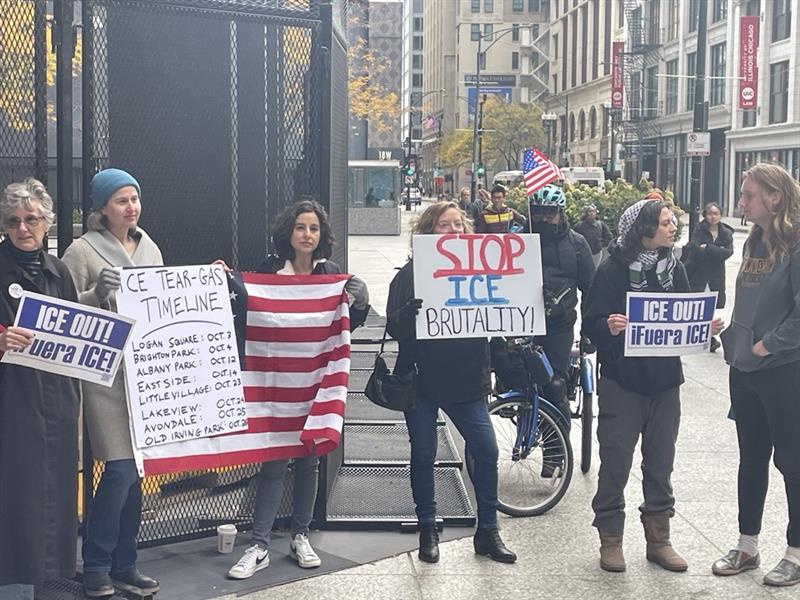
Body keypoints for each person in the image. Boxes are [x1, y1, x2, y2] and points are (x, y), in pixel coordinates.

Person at [227, 199, 370, 579]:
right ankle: (259, 544)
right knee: (273, 463)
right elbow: (246, 313)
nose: (307, 235)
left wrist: (359, 301)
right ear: (288, 232)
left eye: (314, 229)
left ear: (321, 235)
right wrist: (225, 281)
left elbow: (345, 326)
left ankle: (299, 534)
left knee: (309, 462)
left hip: (315, 383)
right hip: (275, 388)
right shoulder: (269, 269)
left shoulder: (333, 273)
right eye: (300, 227)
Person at [582, 197, 723, 573]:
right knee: (615, 463)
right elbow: (590, 327)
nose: (672, 227)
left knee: (661, 463)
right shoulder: (611, 270)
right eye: (664, 222)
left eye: (671, 221)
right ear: (643, 229)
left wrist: (703, 327)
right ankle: (610, 539)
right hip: (622, 382)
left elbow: (683, 315)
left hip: (664, 384)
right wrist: (607, 328)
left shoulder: (673, 269)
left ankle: (658, 539)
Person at [386, 201, 516, 565]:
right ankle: (428, 526)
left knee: (486, 450)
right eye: (445, 225)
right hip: (422, 380)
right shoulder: (410, 274)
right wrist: (405, 315)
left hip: (466, 379)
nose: (455, 231)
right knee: (424, 454)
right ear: (429, 232)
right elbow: (394, 326)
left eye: (459, 224)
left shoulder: (482, 271)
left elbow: (499, 313)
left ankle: (488, 530)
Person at [61, 168, 162, 598]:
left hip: (145, 374)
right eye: (121, 200)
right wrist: (91, 295)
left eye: (134, 198)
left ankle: (126, 562)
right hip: (104, 379)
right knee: (120, 470)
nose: (131, 207)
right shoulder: (81, 251)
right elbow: (60, 310)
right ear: (102, 208)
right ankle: (97, 562)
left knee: (136, 473)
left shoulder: (150, 245)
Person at [712, 163, 800, 587]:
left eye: (748, 195)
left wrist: (765, 345)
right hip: (744, 369)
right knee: (751, 460)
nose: (741, 203)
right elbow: (750, 301)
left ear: (774, 197)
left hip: (783, 371)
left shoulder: (796, 243)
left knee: (793, 463)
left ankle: (795, 553)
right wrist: (729, 332)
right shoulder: (754, 241)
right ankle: (747, 545)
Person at [0, 179, 81, 600]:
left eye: (31, 219)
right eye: (13, 221)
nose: (22, 228)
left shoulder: (58, 271)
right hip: (13, 398)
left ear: (46, 222)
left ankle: (51, 573)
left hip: (57, 395)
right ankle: (14, 580)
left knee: (56, 482)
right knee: (18, 487)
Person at [528, 184, 595, 432]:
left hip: (559, 324)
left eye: (550, 213)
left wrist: (589, 332)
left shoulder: (577, 244)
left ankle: (555, 451)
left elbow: (591, 290)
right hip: (522, 323)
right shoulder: (517, 240)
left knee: (554, 385)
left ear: (561, 212)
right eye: (538, 213)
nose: (544, 218)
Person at [681, 202, 734, 352]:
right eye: (710, 214)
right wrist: (717, 252)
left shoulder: (726, 233)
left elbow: (728, 252)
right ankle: (705, 337)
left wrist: (709, 248)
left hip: (716, 275)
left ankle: (707, 337)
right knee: (698, 304)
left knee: (710, 305)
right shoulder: (699, 229)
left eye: (716, 214)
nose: (713, 217)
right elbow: (695, 248)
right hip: (699, 273)